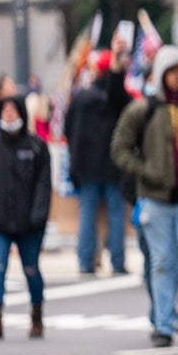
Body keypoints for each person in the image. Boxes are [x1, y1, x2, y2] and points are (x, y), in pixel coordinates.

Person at [111, 45, 178, 348]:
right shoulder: (143, 110)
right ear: (161, 74)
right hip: (155, 198)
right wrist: (145, 170)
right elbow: (119, 148)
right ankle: (163, 324)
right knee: (162, 261)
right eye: (172, 72)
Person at [0, 96, 51, 340]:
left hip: (29, 223)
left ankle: (36, 315)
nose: (9, 115)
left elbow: (43, 185)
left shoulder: (36, 147)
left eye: (14, 110)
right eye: (4, 110)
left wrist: (39, 216)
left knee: (31, 270)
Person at [64, 51, 132, 276]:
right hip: (113, 165)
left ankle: (85, 260)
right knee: (116, 213)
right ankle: (118, 261)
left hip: (87, 165)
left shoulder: (82, 97)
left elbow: (67, 129)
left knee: (88, 213)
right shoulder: (119, 98)